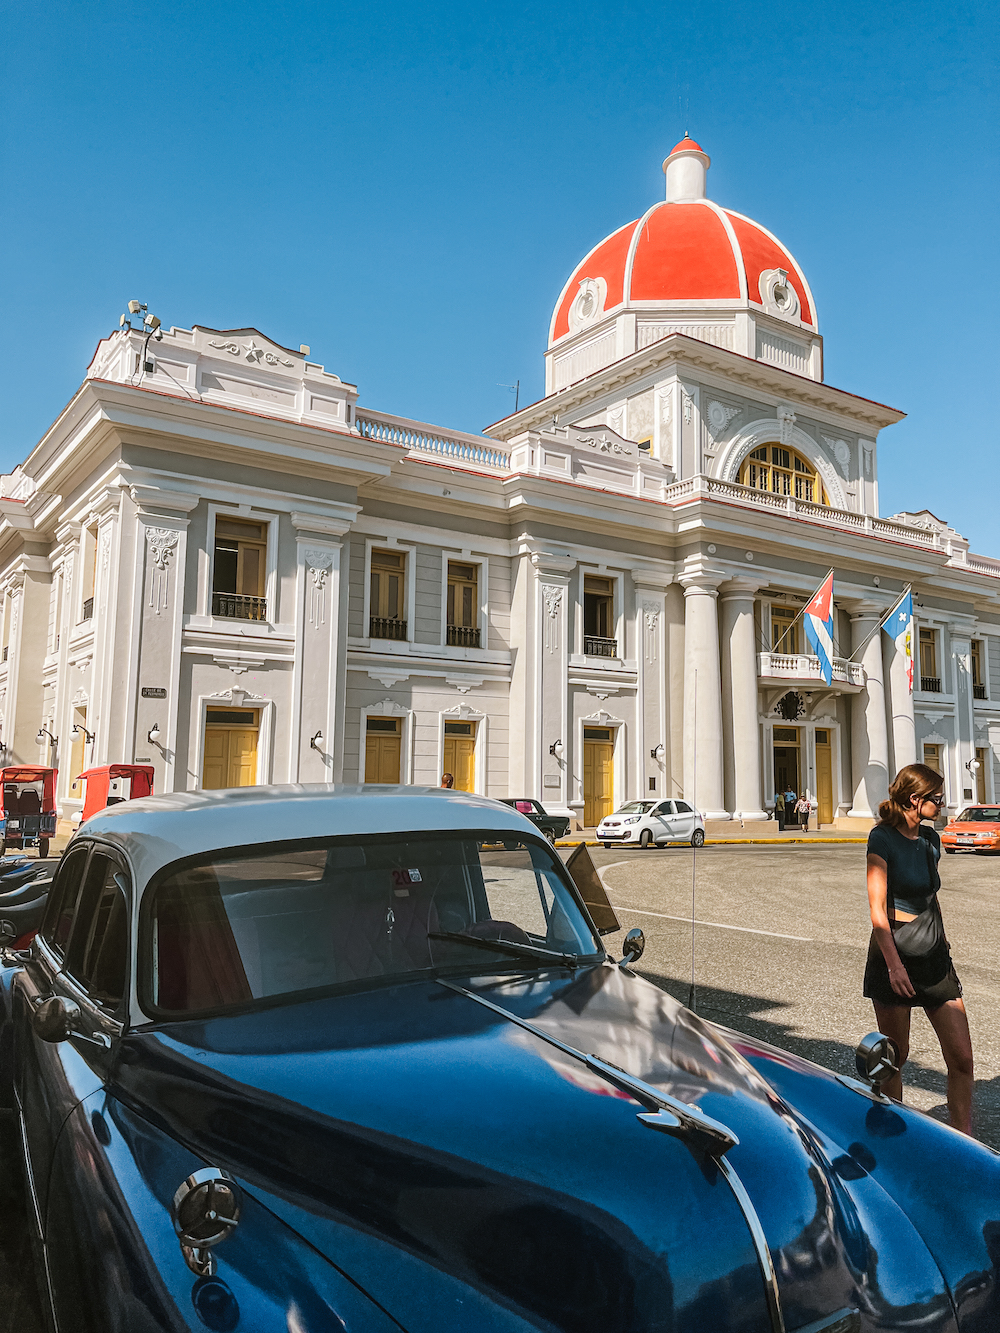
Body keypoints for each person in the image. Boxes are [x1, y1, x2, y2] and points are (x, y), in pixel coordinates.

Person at [864, 763, 973, 1135]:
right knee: (895, 1057)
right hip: (895, 957)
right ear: (915, 799)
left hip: (933, 959)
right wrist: (894, 966)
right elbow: (878, 910)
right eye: (937, 799)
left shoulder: (931, 840)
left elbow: (930, 897)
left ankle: (965, 1140)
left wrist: (943, 943)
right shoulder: (882, 838)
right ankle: (892, 1133)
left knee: (962, 1057)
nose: (941, 806)